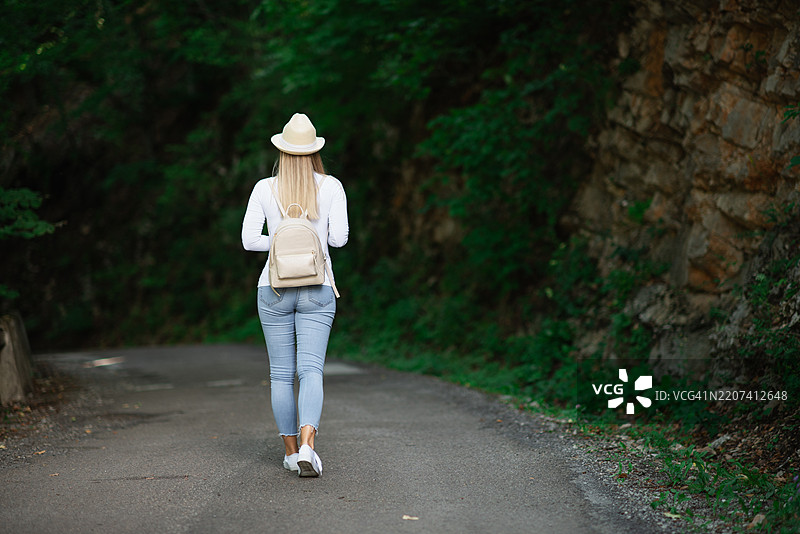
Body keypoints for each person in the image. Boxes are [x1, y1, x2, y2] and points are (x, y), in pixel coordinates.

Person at [241, 113, 349, 477]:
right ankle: (308, 445)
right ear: (315, 150)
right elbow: (339, 239)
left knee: (281, 375)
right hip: (318, 287)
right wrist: (310, 241)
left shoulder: (263, 187)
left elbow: (249, 240)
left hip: (272, 288)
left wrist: (284, 242)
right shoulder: (331, 186)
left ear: (283, 151)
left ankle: (289, 454)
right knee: (311, 370)